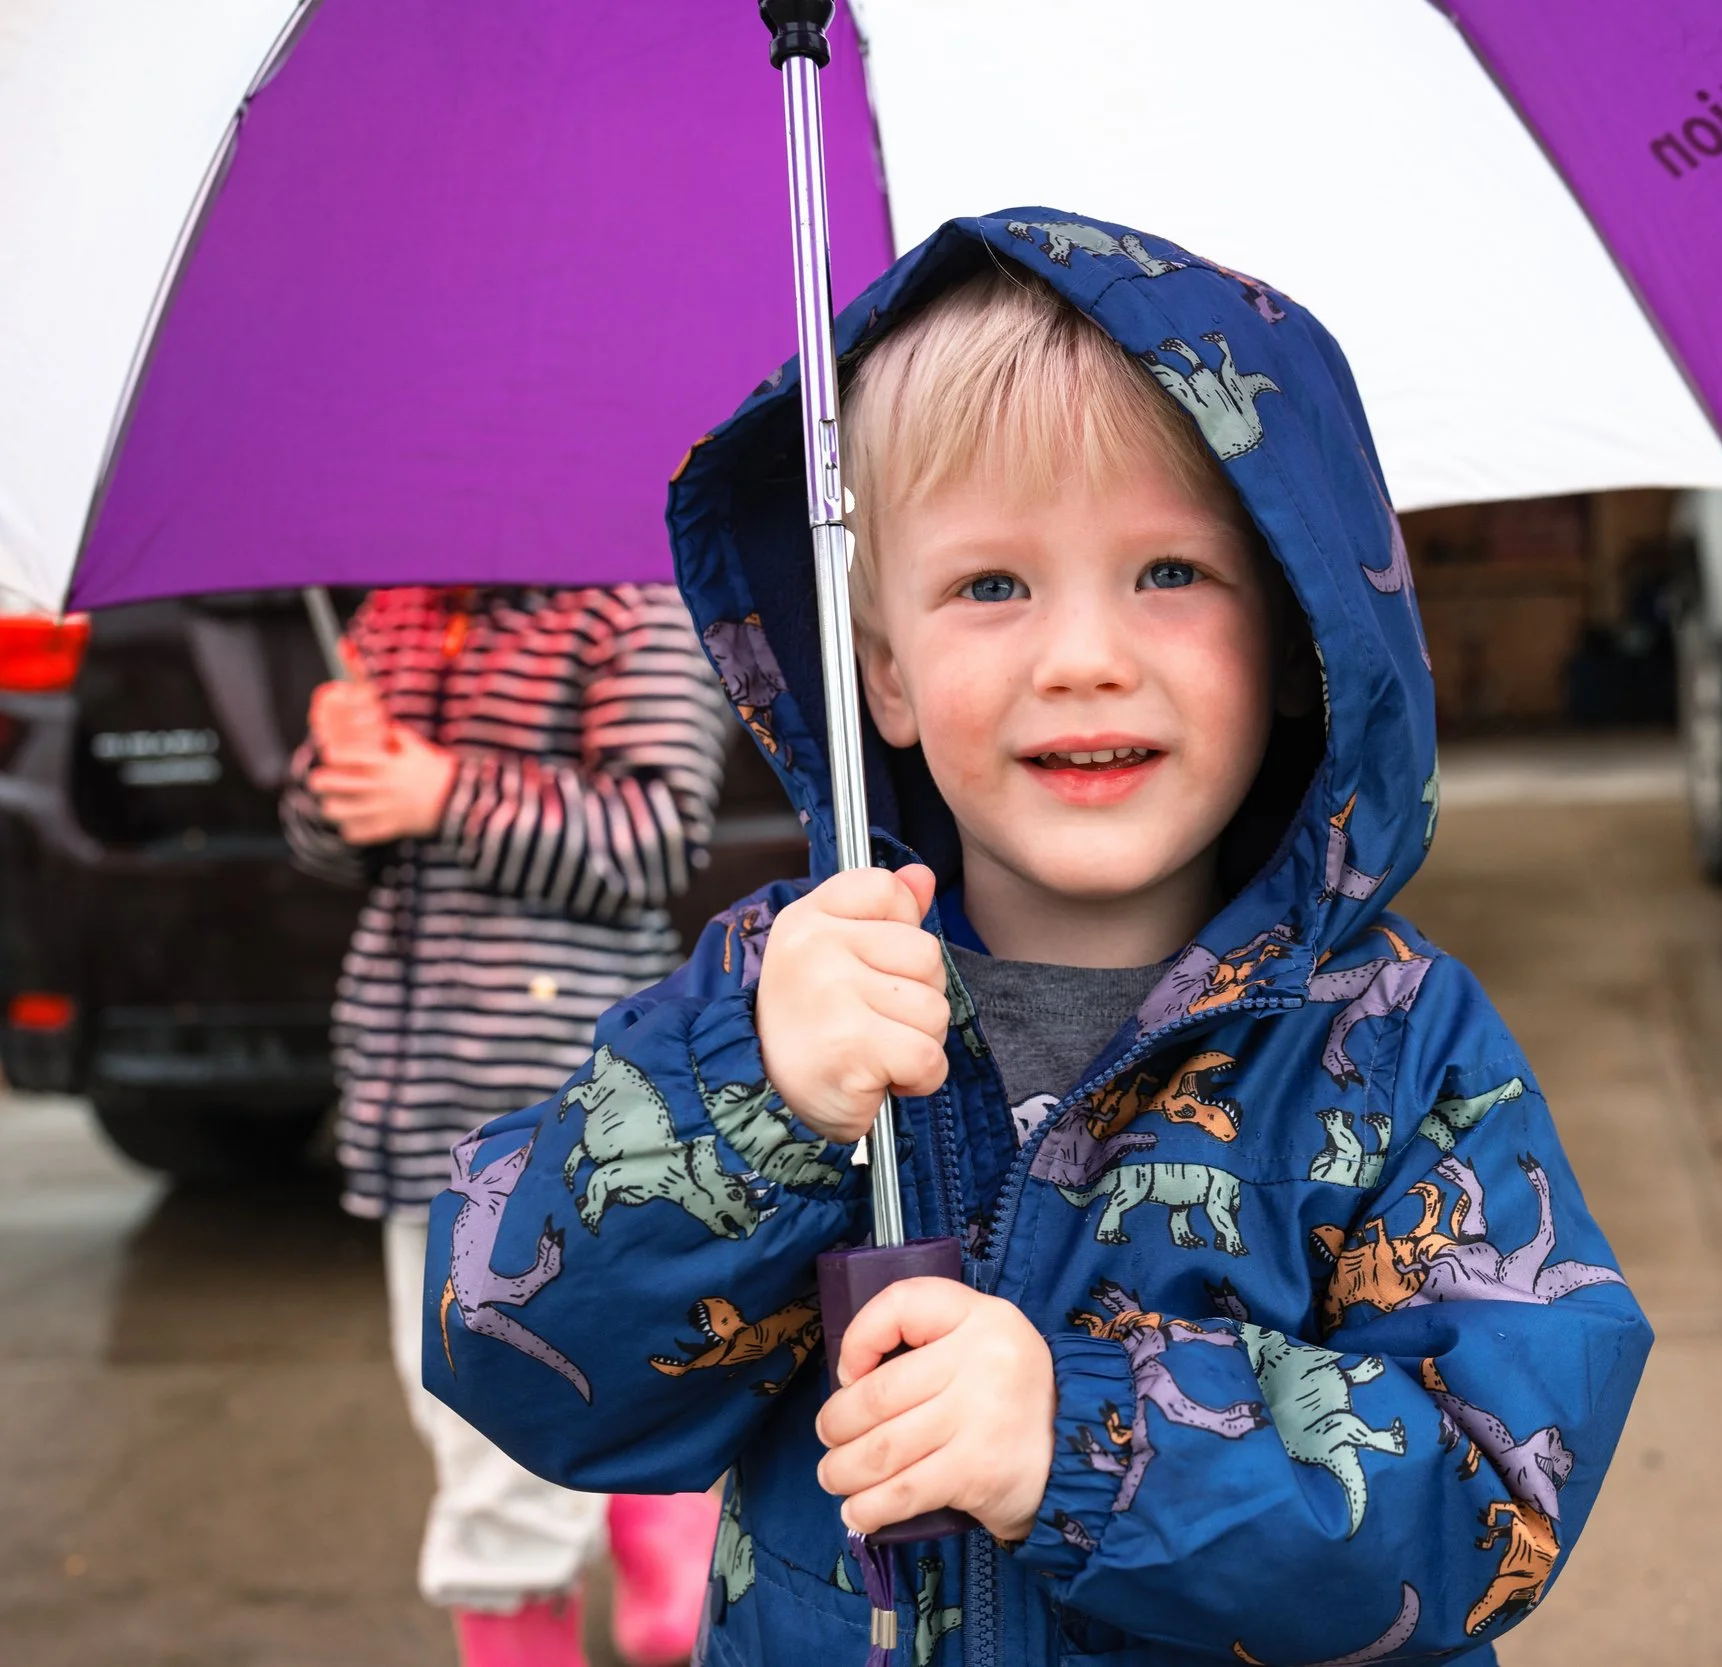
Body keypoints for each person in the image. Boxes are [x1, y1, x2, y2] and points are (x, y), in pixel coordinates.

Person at [423, 214, 1653, 1665]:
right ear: (881, 666)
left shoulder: (1395, 1041)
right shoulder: (780, 992)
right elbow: (522, 1354)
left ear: (1297, 638)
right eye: (990, 585)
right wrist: (760, 1105)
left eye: (1170, 573)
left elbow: (1497, 1482)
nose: (1080, 655)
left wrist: (1077, 1435)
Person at [283, 584, 732, 1667]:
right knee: (448, 1389)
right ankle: (651, 1511)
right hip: (411, 1085)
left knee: (515, 1401)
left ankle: (579, 1565)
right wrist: (330, 774)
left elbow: (656, 837)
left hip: (554, 1098)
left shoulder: (626, 610)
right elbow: (328, 845)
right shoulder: (391, 619)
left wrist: (447, 789)